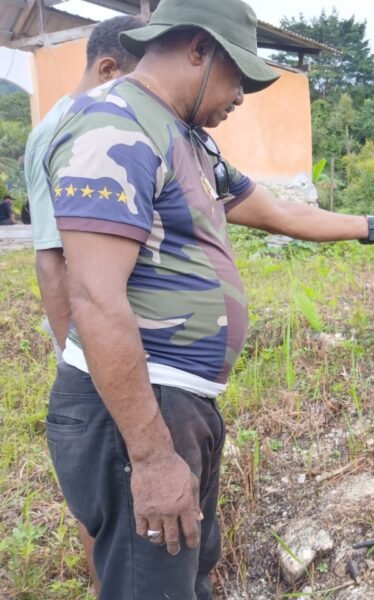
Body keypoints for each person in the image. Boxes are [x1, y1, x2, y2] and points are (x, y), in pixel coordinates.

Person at [44, 0, 374, 598]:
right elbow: (94, 296)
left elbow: (273, 209)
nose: (243, 96)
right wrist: (150, 456)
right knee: (152, 585)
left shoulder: (187, 139)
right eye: (238, 78)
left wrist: (370, 225)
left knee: (187, 574)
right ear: (197, 48)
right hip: (137, 411)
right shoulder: (113, 126)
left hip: (181, 403)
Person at [23, 15, 143, 593]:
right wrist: (85, 358)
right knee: (107, 501)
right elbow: (53, 260)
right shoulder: (65, 131)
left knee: (115, 500)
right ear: (107, 70)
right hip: (92, 356)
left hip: (108, 346)